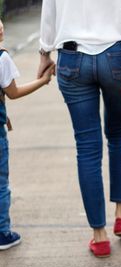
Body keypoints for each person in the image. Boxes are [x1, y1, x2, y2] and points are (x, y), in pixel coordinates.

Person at [38, 0, 121, 258]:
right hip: (116, 57)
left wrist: (44, 54)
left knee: (87, 148)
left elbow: (49, 13)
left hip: (71, 58)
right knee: (120, 135)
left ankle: (99, 236)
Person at [0, 19, 55, 250]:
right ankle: (2, 232)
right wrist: (43, 81)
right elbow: (12, 92)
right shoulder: (2, 58)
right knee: (1, 183)